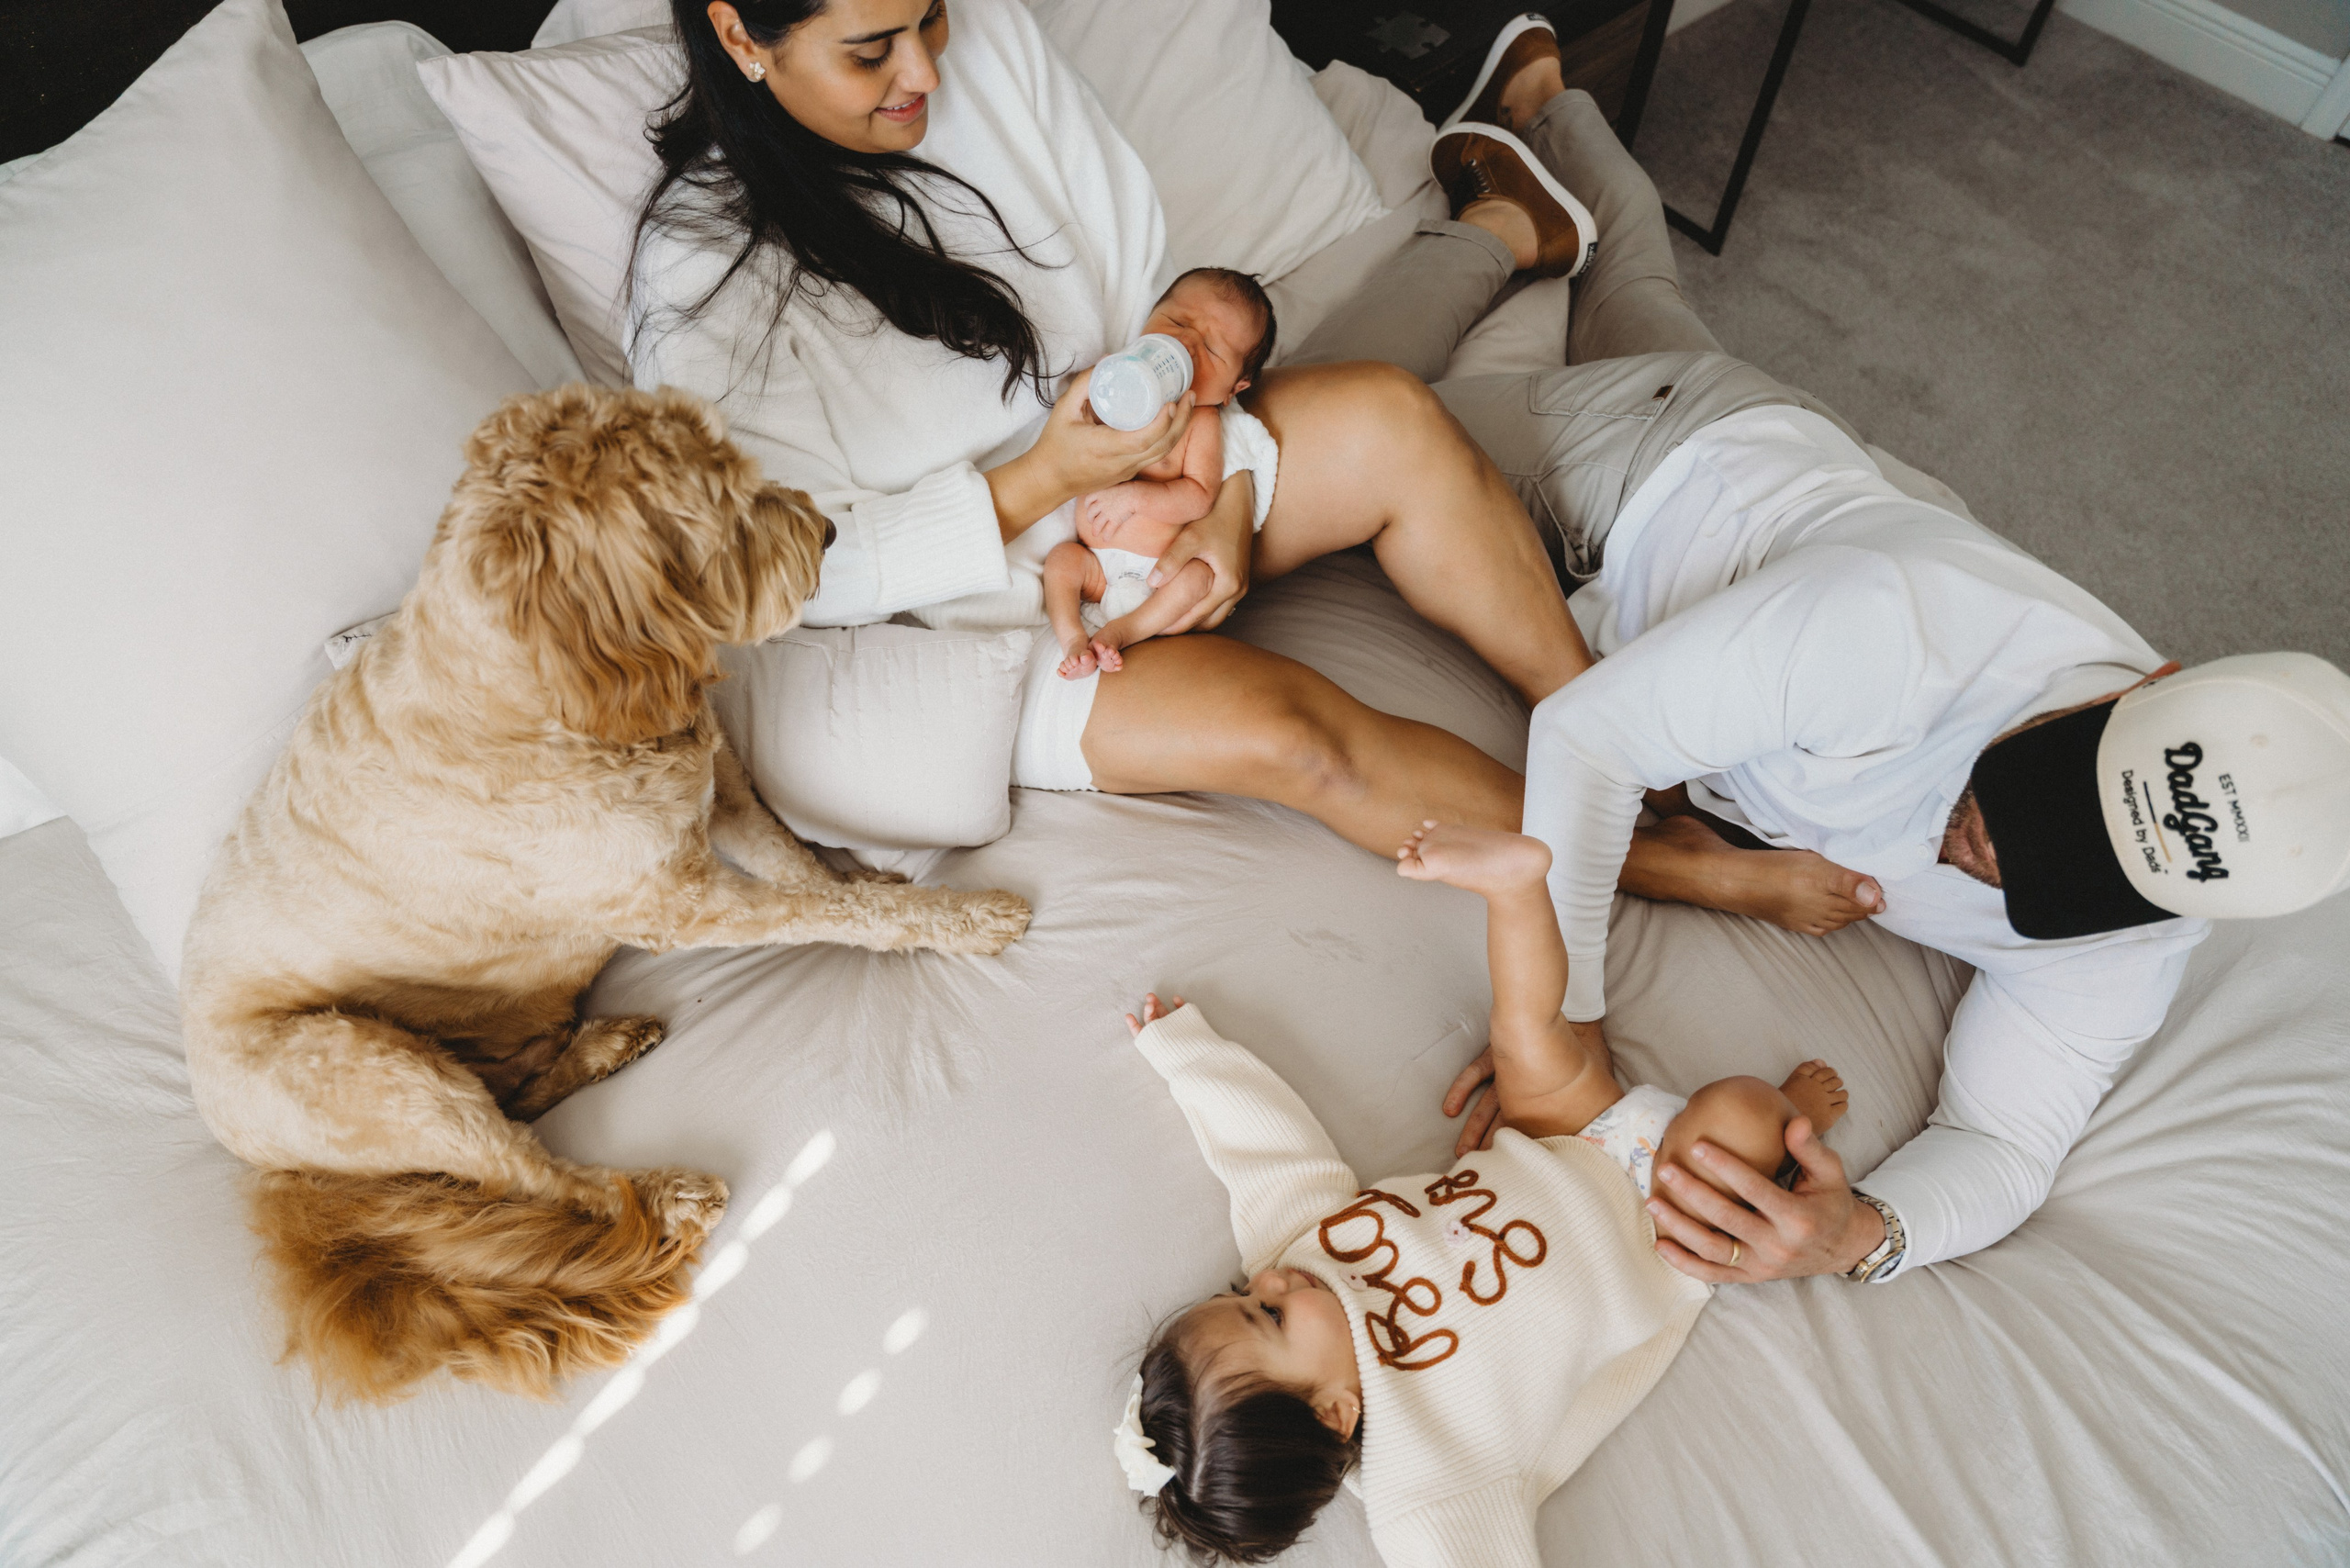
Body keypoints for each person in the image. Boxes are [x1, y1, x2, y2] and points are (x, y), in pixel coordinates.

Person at [1362, 26, 2350, 1287]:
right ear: (2143, 687)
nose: (1985, 856)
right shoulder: (1903, 628)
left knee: (1631, 294)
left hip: (1785, 475)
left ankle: (1548, 96)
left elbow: (2002, 1143)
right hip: (1653, 481)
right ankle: (1506, 226)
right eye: (2038, 800)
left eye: (2069, 876)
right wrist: (1565, 1031)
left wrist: (1861, 1235)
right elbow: (1588, 738)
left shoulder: (2133, 944)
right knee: (1325, 410)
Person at [623, 0, 1864, 938]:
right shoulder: (701, 283)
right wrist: (1039, 482)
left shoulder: (987, 47)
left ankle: (1625, 742)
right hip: (960, 604)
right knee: (1291, 733)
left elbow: (1146, 310)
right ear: (740, 34)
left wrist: (1217, 502)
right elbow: (784, 575)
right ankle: (1662, 864)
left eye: (930, 18)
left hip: (1146, 471)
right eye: (872, 51)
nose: (927, 71)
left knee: (1390, 414)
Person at [1045, 267, 1281, 678]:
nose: (1186, 344)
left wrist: (1132, 498)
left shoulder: (1201, 422)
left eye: (1212, 349)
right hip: (1095, 567)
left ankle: (1125, 631)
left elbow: (1198, 495)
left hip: (1158, 575)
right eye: (1176, 322)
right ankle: (1073, 639)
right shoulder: (1113, 384)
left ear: (1233, 389)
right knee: (1061, 562)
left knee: (1199, 579)